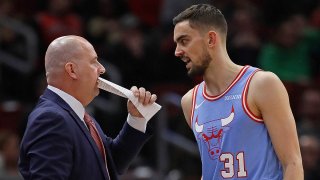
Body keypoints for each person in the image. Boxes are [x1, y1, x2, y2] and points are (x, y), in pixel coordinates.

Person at [173, 4, 303, 180]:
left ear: (211, 39)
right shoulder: (190, 101)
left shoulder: (261, 84)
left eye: (184, 41)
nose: (177, 52)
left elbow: (292, 163)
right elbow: (213, 169)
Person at [18, 35, 158, 180]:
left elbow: (110, 164)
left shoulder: (74, 113)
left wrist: (136, 118)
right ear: (72, 70)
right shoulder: (51, 118)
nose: (102, 69)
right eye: (94, 62)